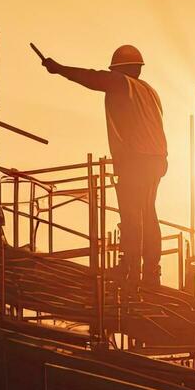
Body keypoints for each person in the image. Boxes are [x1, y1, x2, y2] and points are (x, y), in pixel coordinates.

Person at [41, 44, 168, 289]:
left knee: (132, 215)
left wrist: (59, 69)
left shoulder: (123, 84)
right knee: (147, 213)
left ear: (119, 70)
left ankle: (130, 268)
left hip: (138, 160)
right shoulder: (149, 91)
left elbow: (93, 77)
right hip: (157, 159)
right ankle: (151, 273)